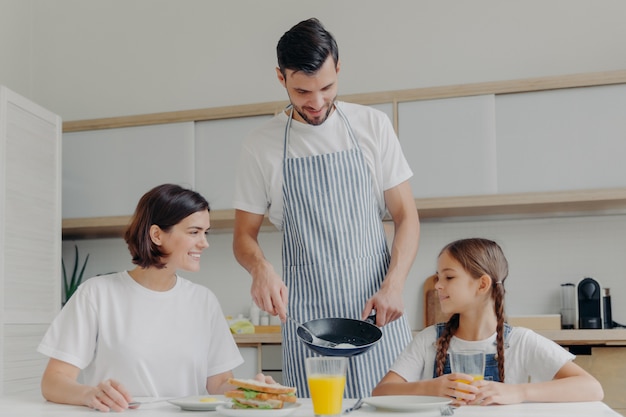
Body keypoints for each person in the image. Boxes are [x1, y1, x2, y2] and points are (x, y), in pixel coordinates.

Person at [232, 18, 420, 397]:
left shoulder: (373, 125)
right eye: (302, 91)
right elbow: (242, 237)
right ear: (280, 77)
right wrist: (260, 268)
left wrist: (395, 284)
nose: (316, 103)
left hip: (378, 313)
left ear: (339, 70)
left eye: (328, 87)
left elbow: (406, 217)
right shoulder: (261, 145)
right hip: (310, 327)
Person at [38, 184, 261, 412]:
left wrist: (252, 391)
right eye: (194, 232)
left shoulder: (203, 301)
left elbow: (219, 383)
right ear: (156, 235)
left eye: (206, 232)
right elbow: (53, 381)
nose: (204, 243)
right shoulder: (97, 294)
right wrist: (90, 394)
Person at [372, 238, 604, 405]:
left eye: (449, 277)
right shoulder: (429, 339)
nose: (438, 285)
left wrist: (519, 392)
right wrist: (430, 388)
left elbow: (592, 388)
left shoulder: (520, 341)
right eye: (438, 277)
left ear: (482, 285)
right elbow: (381, 393)